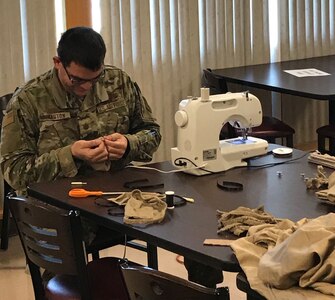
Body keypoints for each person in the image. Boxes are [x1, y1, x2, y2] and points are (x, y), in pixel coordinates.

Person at [0, 26, 222, 288]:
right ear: (57, 63)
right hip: (62, 207)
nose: (86, 87)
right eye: (77, 80)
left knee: (190, 218)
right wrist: (69, 154)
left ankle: (205, 292)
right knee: (66, 266)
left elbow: (152, 132)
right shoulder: (28, 101)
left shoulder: (118, 82)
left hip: (119, 197)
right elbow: (14, 171)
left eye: (94, 79)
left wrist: (129, 143)